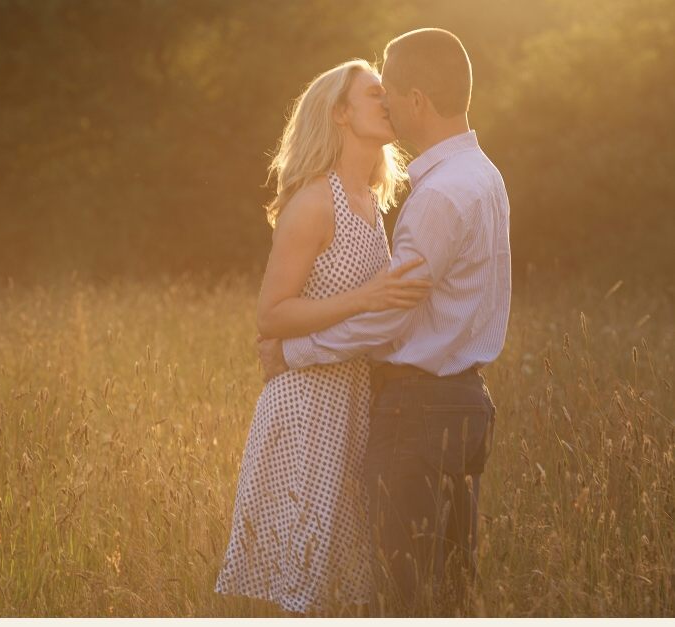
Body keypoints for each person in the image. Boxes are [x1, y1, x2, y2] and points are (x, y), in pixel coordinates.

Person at [258, 28, 511, 615]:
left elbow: (388, 317)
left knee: (406, 594)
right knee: (445, 588)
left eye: (389, 92)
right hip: (458, 401)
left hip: (421, 409)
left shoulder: (438, 194)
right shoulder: (483, 175)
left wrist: (293, 352)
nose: (388, 104)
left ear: (416, 100)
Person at [214, 59, 431, 616]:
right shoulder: (315, 202)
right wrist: (366, 298)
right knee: (301, 585)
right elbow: (272, 316)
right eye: (375, 95)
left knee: (347, 588)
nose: (389, 102)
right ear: (339, 113)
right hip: (306, 407)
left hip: (356, 405)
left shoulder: (372, 203)